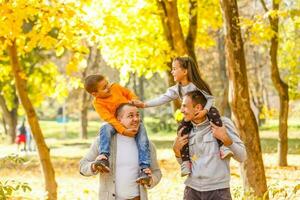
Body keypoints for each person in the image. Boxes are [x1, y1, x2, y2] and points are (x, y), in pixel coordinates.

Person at [133, 56, 233, 176]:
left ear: (185, 71)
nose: (172, 71)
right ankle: (186, 162)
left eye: (174, 69)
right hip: (190, 116)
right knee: (181, 132)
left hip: (205, 112)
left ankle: (223, 147)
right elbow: (163, 98)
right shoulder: (177, 89)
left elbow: (210, 99)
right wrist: (144, 104)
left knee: (215, 115)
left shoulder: (197, 85)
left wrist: (205, 111)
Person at [173, 90, 247, 200]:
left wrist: (226, 140)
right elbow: (184, 162)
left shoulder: (223, 124)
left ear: (197, 108)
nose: (181, 110)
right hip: (192, 191)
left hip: (218, 192)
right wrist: (176, 151)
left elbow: (242, 156)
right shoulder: (185, 131)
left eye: (185, 106)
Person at [79, 103, 162, 200]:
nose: (136, 119)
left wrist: (151, 179)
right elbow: (82, 166)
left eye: (137, 115)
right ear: (119, 119)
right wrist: (94, 165)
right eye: (130, 116)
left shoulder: (148, 146)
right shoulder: (102, 142)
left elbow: (157, 172)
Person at [84, 74, 151, 183]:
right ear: (95, 94)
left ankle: (144, 169)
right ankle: (103, 158)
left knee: (143, 140)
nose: (108, 87)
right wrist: (123, 131)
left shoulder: (115, 87)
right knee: (105, 128)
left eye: (107, 83)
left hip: (131, 121)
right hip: (115, 124)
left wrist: (134, 99)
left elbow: (128, 93)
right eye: (104, 88)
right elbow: (109, 118)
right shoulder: (97, 103)